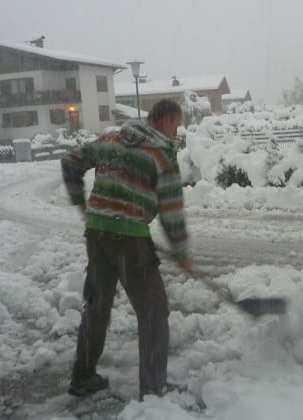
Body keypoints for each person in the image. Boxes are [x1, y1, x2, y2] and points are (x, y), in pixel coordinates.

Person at [61, 99, 194, 400]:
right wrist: (182, 254)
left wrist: (82, 204)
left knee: (96, 308)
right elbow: (171, 209)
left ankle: (82, 377)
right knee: (154, 312)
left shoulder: (111, 138)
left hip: (97, 234)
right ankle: (153, 388)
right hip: (131, 240)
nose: (176, 132)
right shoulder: (162, 153)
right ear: (165, 119)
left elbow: (70, 161)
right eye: (176, 124)